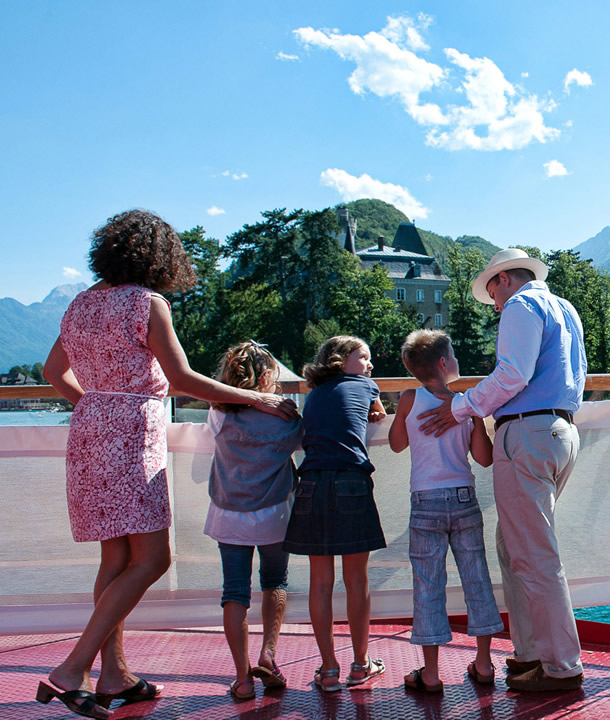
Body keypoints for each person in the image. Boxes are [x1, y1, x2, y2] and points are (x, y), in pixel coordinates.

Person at [38, 210, 297, 719]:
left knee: (115, 560)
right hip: (132, 435)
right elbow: (183, 379)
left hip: (90, 431)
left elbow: (52, 373)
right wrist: (259, 399)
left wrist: (97, 407)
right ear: (160, 258)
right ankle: (72, 669)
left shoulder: (80, 305)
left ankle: (114, 674)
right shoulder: (146, 303)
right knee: (154, 559)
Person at [419, 248, 588, 692]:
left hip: (528, 435)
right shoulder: (565, 309)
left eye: (491, 292)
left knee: (532, 555)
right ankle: (530, 654)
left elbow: (512, 374)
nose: (493, 303)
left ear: (504, 280)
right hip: (560, 432)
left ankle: (560, 667)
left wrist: (460, 407)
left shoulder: (520, 305)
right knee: (515, 547)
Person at [390, 329, 503, 693]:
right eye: (452, 354)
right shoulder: (464, 406)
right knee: (476, 579)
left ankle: (432, 673)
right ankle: (484, 664)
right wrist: (478, 422)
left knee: (427, 585)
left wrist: (390, 412)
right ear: (443, 363)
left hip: (426, 501)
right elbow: (484, 460)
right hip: (463, 499)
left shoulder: (409, 398)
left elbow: (395, 444)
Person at [283, 336, 388, 692]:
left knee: (320, 582)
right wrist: (375, 406)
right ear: (342, 361)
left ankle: (328, 670)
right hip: (349, 482)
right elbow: (376, 411)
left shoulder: (312, 395)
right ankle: (360, 664)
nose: (370, 364)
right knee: (356, 579)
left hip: (310, 483)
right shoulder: (366, 384)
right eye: (364, 357)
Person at [204, 341, 302, 701]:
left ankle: (242, 679)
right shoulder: (288, 419)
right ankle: (269, 655)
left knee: (234, 592)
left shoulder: (218, 415)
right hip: (274, 514)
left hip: (227, 515)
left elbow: (213, 395)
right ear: (265, 378)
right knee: (275, 581)